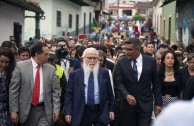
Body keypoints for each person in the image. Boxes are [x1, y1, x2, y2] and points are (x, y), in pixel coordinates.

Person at [9, 42, 61, 126]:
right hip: (26, 110)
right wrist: (13, 111)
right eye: (46, 54)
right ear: (37, 54)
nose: (48, 57)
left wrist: (56, 109)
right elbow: (13, 91)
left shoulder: (51, 69)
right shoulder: (20, 67)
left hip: (44, 110)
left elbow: (56, 91)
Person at [114, 37, 162, 126]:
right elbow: (119, 82)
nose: (126, 52)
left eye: (130, 50)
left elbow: (156, 83)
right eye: (125, 49)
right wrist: (126, 95)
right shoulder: (121, 62)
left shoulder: (150, 61)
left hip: (145, 104)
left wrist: (158, 103)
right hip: (128, 106)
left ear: (138, 49)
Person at [64, 48, 115, 126]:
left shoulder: (104, 73)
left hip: (100, 111)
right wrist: (68, 112)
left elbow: (110, 93)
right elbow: (69, 95)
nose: (92, 60)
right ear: (83, 58)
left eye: (95, 58)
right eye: (89, 58)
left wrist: (111, 110)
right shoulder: (74, 75)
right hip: (82, 111)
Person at [0, 48, 15, 126]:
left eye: (7, 62)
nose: (3, 65)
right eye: (1, 61)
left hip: (9, 111)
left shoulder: (14, 73)